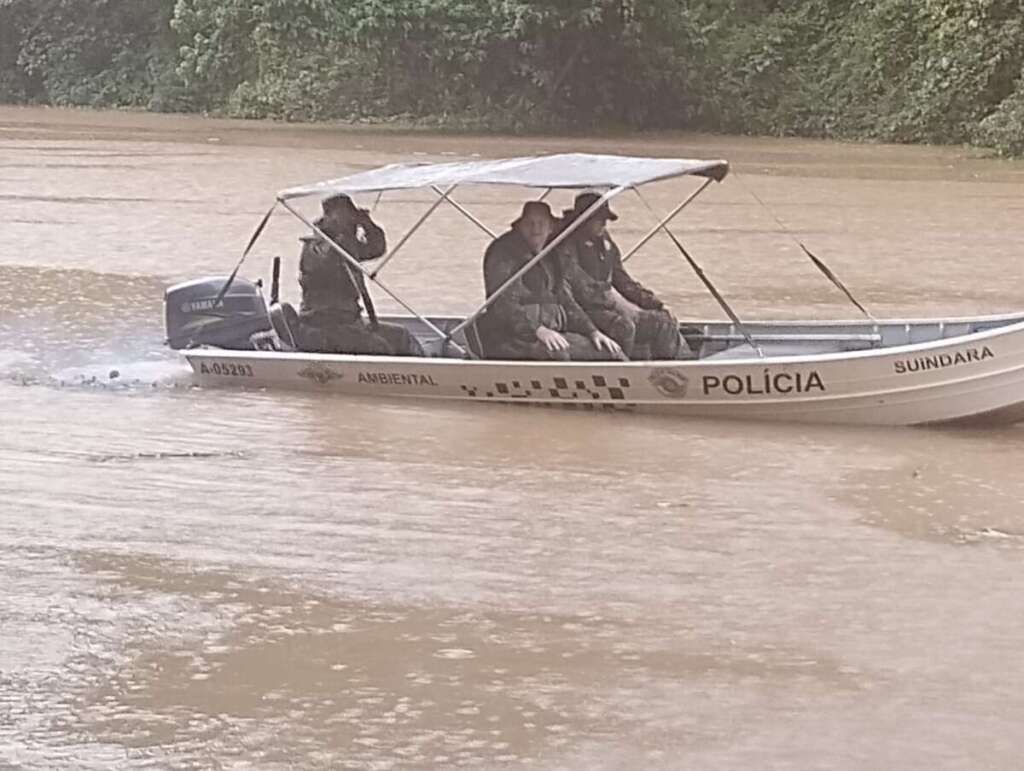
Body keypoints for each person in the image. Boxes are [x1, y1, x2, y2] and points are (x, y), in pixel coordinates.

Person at [478, 200, 624, 361]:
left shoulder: (551, 254)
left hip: (551, 332)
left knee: (611, 351)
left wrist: (592, 331)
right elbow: (503, 304)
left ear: (551, 228)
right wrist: (538, 330)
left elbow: (565, 300)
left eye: (541, 223)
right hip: (510, 337)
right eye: (529, 223)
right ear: (520, 226)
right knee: (556, 352)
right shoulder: (503, 253)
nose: (536, 229)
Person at [558, 191, 686, 360]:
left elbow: (622, 280)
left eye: (605, 219)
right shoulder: (566, 246)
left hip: (608, 306)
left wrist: (653, 303)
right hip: (583, 310)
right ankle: (624, 370)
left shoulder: (605, 242)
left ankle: (678, 364)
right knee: (623, 326)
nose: (604, 223)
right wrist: (614, 301)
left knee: (662, 322)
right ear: (583, 220)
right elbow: (576, 286)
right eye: (598, 219)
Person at [297, 194, 424, 356]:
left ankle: (428, 375)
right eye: (346, 215)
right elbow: (325, 260)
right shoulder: (315, 246)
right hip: (324, 325)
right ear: (330, 217)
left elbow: (377, 249)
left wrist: (367, 224)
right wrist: (341, 234)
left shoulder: (347, 243)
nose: (350, 220)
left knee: (402, 336)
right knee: (380, 347)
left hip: (350, 323)